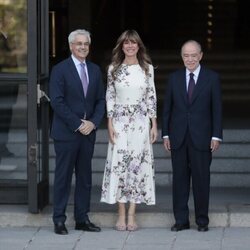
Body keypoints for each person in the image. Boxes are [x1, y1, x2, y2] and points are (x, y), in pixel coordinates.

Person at [162, 40, 222, 232]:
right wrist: (165, 134)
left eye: (193, 55)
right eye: (186, 55)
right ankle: (181, 220)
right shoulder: (174, 78)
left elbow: (217, 110)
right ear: (182, 57)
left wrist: (216, 136)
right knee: (179, 180)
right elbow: (167, 109)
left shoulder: (212, 78)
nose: (190, 59)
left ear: (201, 56)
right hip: (178, 137)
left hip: (202, 137)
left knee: (201, 180)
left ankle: (202, 221)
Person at [49, 29, 105, 235]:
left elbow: (101, 100)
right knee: (63, 177)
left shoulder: (95, 70)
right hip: (66, 133)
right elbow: (56, 101)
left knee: (85, 178)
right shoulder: (60, 69)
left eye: (86, 44)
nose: (83, 47)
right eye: (79, 43)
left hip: (88, 133)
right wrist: (78, 123)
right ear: (71, 46)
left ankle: (82, 218)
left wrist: (93, 122)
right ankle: (59, 220)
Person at [101, 30, 158, 231]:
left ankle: (132, 214)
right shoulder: (113, 69)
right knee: (119, 164)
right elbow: (110, 97)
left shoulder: (147, 69)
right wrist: (109, 123)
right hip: (119, 121)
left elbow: (151, 96)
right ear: (122, 46)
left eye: (134, 43)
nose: (130, 46)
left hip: (141, 122)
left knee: (137, 165)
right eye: (126, 43)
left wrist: (154, 124)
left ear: (139, 46)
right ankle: (121, 213)